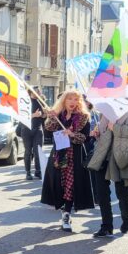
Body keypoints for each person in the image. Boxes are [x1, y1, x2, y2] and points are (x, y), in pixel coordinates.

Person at [40, 90, 94, 231]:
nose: (72, 102)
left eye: (75, 99)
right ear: (64, 100)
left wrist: (72, 134)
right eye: (70, 99)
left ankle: (66, 214)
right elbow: (48, 128)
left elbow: (85, 138)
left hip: (74, 155)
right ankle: (63, 208)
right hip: (59, 154)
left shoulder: (83, 117)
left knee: (70, 185)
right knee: (58, 184)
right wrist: (51, 117)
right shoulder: (58, 115)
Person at [86, 109, 128, 237]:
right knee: (102, 194)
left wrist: (115, 127)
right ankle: (106, 226)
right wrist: (96, 134)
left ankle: (126, 217)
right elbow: (103, 136)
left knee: (122, 193)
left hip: (120, 158)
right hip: (103, 157)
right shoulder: (104, 114)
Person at [21, 88, 46, 180]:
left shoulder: (41, 102)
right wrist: (34, 115)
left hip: (38, 129)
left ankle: (38, 171)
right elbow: (21, 116)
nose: (38, 93)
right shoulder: (25, 102)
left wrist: (43, 114)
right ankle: (28, 172)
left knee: (38, 151)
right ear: (31, 92)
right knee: (28, 151)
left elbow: (44, 116)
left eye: (39, 91)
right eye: (36, 91)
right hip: (26, 129)